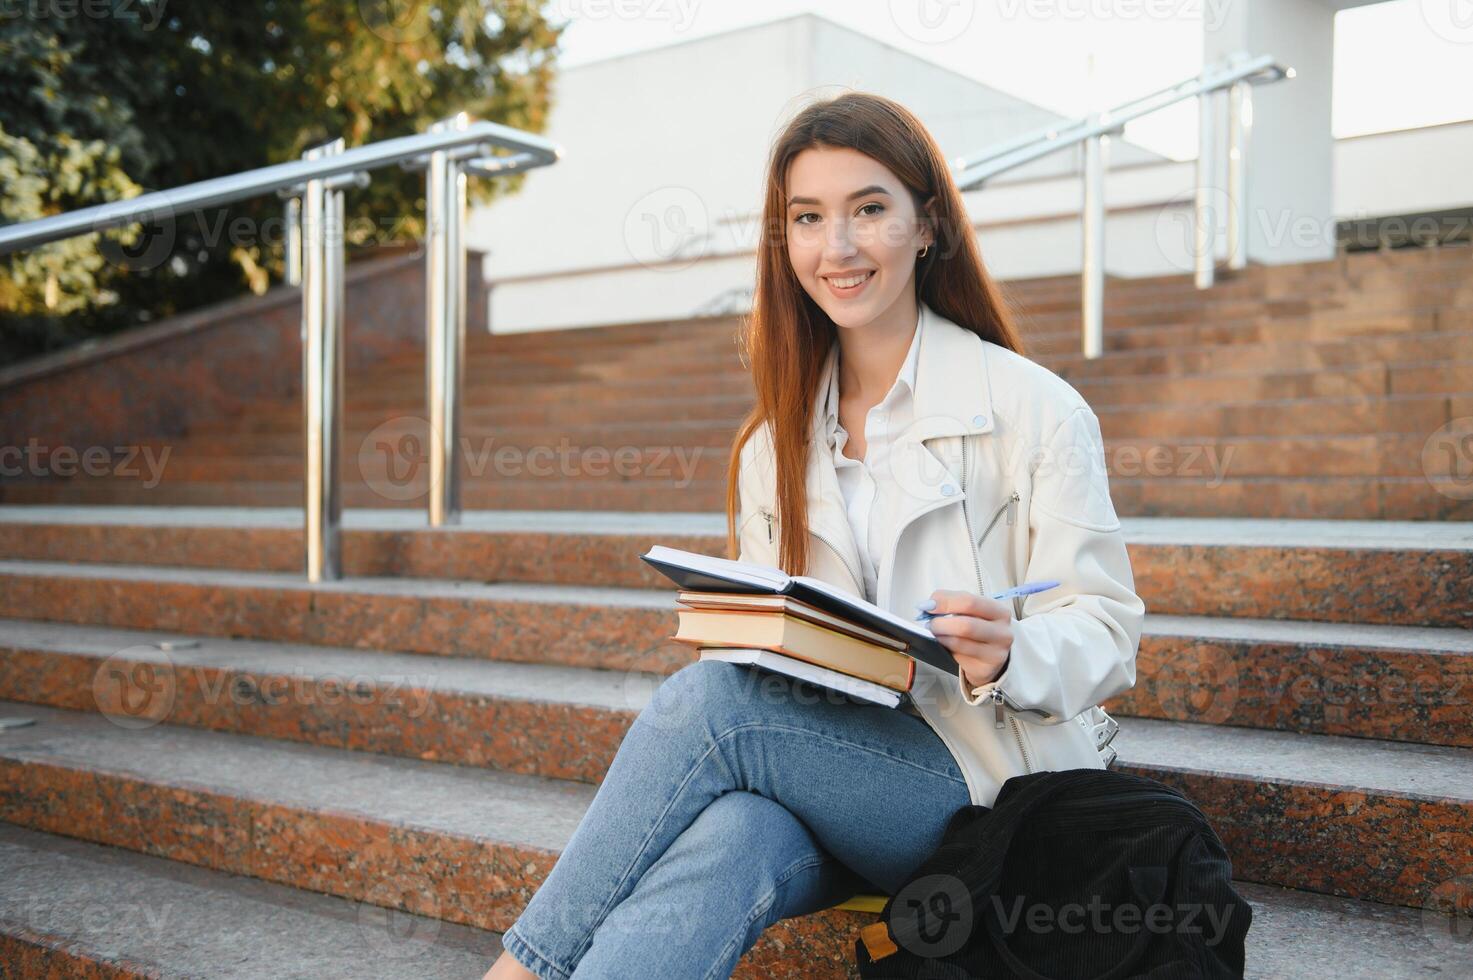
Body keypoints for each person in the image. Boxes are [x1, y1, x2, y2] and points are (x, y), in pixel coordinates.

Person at [484, 90, 1144, 980]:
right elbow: (775, 653)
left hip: (990, 787)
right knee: (732, 836)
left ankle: (519, 971)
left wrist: (1009, 650)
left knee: (710, 707)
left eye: (868, 209)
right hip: (838, 773)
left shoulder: (1034, 409)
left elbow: (1105, 632)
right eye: (807, 218)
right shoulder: (775, 445)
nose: (836, 247)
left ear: (924, 227)